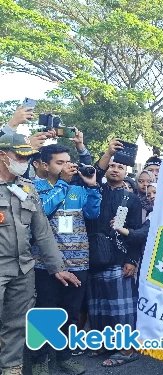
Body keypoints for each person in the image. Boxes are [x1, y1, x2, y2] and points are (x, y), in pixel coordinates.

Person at [0, 133, 81, 375]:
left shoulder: (27, 188)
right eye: (19, 155)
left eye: (27, 155)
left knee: (16, 324)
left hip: (23, 268)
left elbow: (43, 233)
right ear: (2, 155)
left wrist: (57, 268)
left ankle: (11, 367)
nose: (24, 160)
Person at [29, 144, 101, 375]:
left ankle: (64, 356)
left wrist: (91, 187)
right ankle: (39, 360)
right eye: (59, 163)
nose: (66, 166)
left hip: (78, 261)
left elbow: (92, 213)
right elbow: (44, 210)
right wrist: (63, 183)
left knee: (70, 313)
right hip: (46, 264)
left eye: (67, 161)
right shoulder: (34, 188)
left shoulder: (76, 188)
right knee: (45, 311)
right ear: (45, 164)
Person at [86, 139, 143, 367]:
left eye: (120, 167)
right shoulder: (95, 189)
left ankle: (127, 350)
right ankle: (102, 344)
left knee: (121, 309)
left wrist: (131, 260)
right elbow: (95, 170)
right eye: (112, 166)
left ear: (126, 172)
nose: (115, 169)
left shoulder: (131, 199)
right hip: (94, 257)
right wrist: (108, 151)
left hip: (119, 260)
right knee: (98, 307)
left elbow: (136, 233)